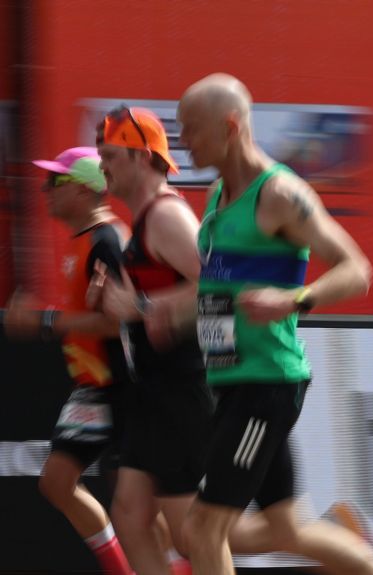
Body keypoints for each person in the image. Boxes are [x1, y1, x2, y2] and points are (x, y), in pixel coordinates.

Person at [175, 73, 373, 575]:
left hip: (265, 383)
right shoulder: (216, 198)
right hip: (231, 382)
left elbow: (356, 268)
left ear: (230, 126)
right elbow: (220, 288)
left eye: (191, 128)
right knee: (286, 530)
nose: (183, 139)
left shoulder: (280, 193)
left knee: (201, 530)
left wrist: (293, 299)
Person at [92, 105, 213, 575]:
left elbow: (218, 286)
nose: (101, 164)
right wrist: (115, 300)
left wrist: (138, 308)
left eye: (110, 155)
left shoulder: (166, 216)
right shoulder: (146, 219)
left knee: (193, 534)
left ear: (142, 158)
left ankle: (322, 537)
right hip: (156, 390)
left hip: (183, 388)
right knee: (129, 513)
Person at [3, 147, 132, 574]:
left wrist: (44, 319)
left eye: (55, 181)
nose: (45, 189)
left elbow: (118, 325)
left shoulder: (106, 241)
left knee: (141, 506)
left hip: (125, 389)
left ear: (83, 189)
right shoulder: (83, 242)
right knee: (58, 483)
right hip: (93, 387)